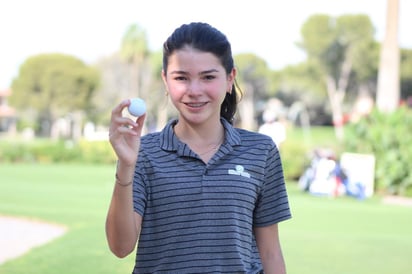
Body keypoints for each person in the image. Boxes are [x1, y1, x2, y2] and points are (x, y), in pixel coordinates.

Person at [106, 22, 291, 273]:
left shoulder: (260, 150)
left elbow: (270, 252)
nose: (194, 91)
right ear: (165, 81)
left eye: (208, 77)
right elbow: (120, 247)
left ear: (229, 79)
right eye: (181, 78)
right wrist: (126, 166)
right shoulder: (143, 152)